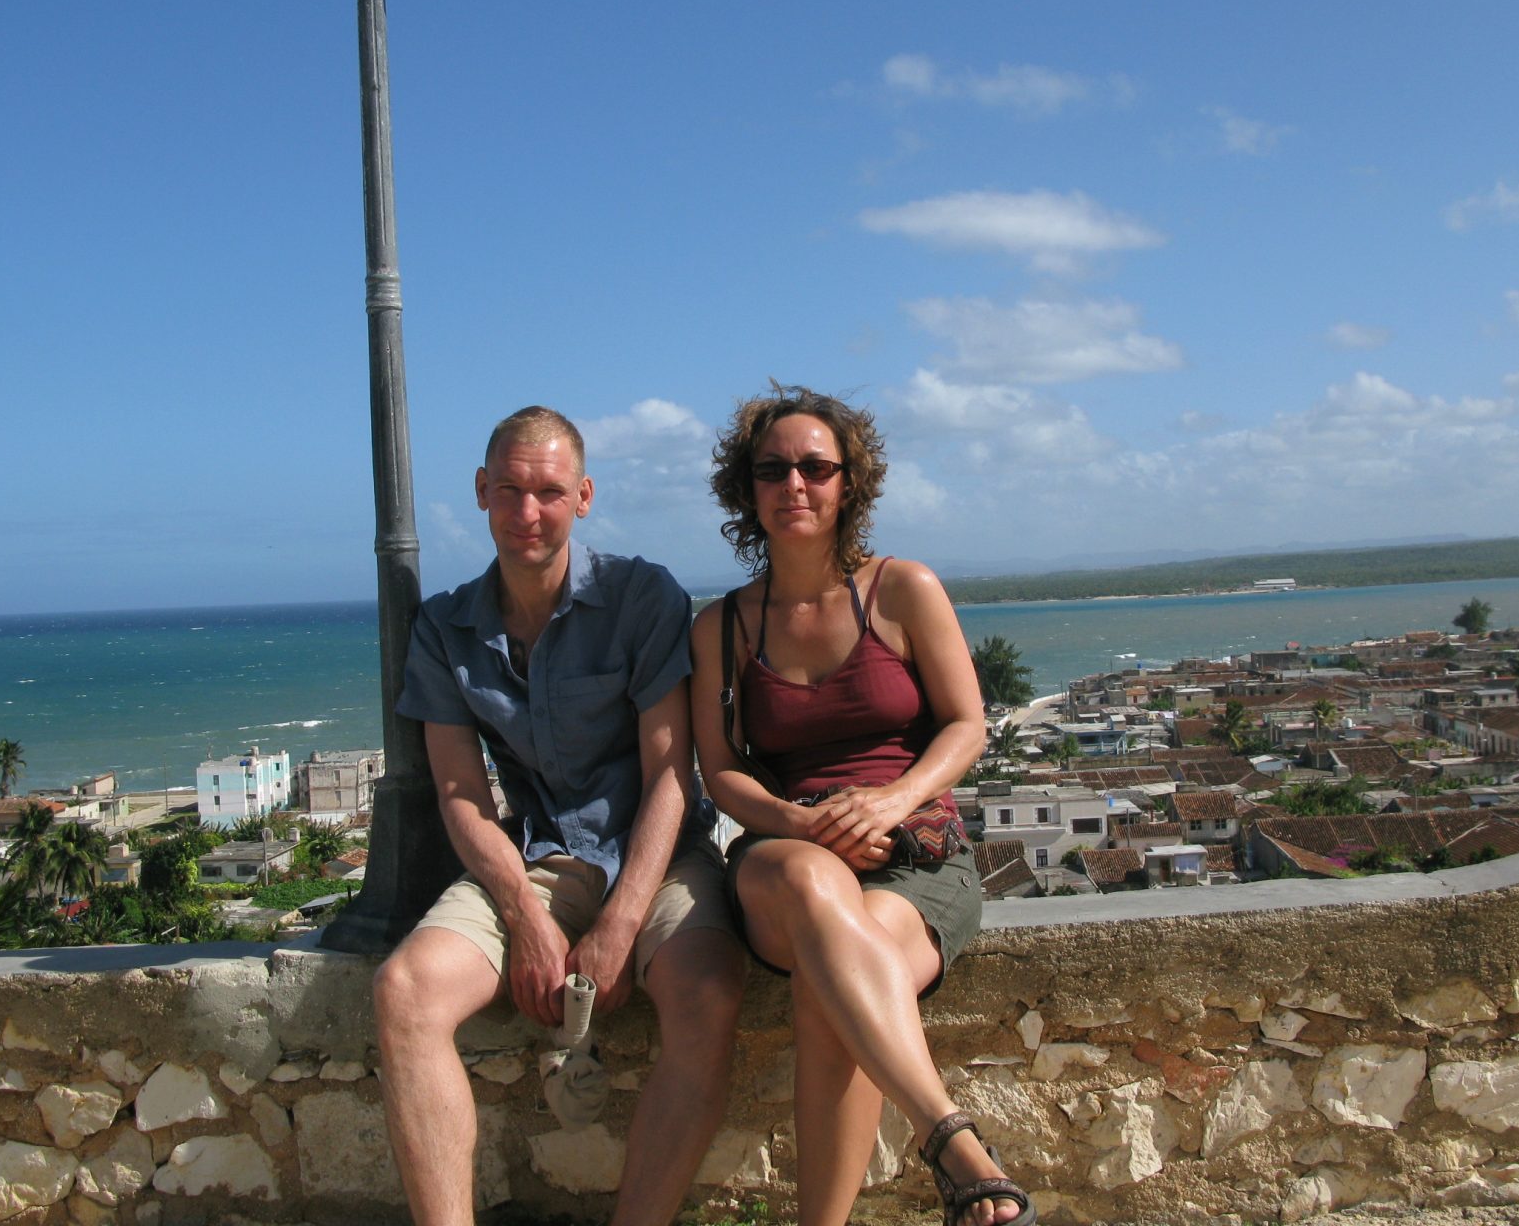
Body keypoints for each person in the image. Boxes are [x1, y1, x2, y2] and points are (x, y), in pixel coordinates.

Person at [374, 405, 745, 1226]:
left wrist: (621, 925)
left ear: (583, 497)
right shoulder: (446, 629)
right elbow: (461, 795)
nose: (529, 511)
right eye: (510, 490)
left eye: (548, 491)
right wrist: (524, 915)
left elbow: (670, 775)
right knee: (405, 993)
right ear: (481, 491)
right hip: (536, 858)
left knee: (708, 994)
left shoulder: (639, 598)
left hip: (657, 854)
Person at [690, 385, 1035, 1226]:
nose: (794, 485)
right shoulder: (722, 628)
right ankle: (951, 1141)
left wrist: (889, 801)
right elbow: (721, 770)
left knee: (832, 984)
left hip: (913, 855)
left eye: (816, 468)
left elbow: (966, 725)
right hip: (785, 855)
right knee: (814, 888)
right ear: (747, 487)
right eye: (772, 470)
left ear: (849, 483)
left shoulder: (902, 589)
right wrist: (801, 823)